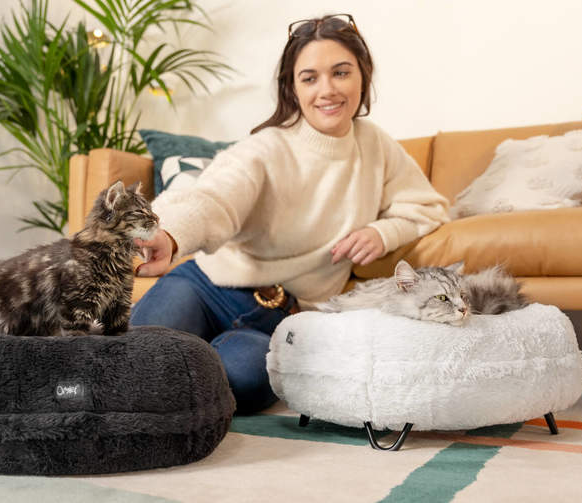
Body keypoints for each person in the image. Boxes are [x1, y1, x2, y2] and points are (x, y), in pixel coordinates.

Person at [130, 14, 450, 413]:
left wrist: (382, 232)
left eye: (341, 72)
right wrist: (171, 235)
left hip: (286, 319)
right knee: (133, 357)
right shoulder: (266, 148)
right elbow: (213, 199)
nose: (327, 90)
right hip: (206, 287)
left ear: (362, 76)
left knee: (244, 382)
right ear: (292, 88)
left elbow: (428, 206)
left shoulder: (376, 145)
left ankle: (176, 375)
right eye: (310, 78)